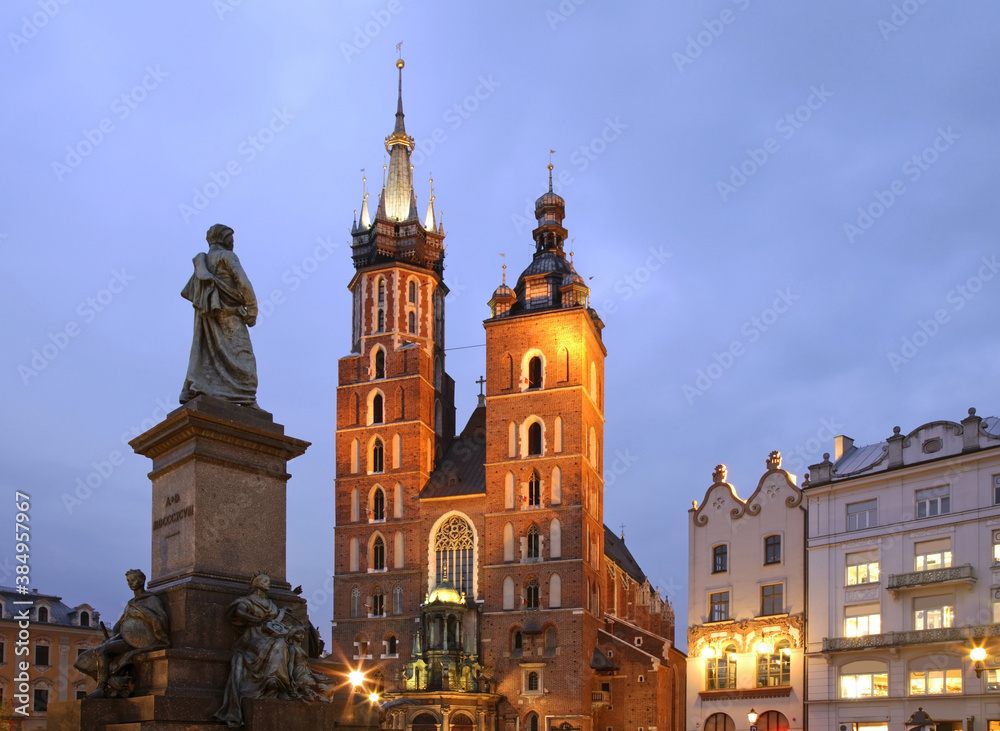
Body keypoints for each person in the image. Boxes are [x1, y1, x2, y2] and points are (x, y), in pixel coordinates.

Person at [215, 574, 329, 727]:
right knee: (278, 644)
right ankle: (273, 682)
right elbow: (240, 612)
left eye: (268, 581)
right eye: (264, 581)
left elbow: (275, 619)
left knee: (283, 645)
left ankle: (275, 682)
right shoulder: (247, 601)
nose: (267, 583)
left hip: (270, 636)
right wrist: (257, 620)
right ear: (256, 584)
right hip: (253, 637)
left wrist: (283, 612)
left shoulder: (270, 604)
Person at [179, 224, 260, 407]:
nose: (233, 242)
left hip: (209, 318)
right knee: (244, 356)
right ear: (224, 239)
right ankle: (247, 397)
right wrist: (252, 310)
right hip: (230, 315)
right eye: (231, 238)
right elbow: (243, 283)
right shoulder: (227, 256)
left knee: (208, 353)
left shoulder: (202, 263)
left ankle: (205, 389)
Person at [75, 569, 170, 698]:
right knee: (96, 652)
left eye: (134, 580)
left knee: (103, 651)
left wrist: (142, 614)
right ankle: (109, 684)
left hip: (143, 641)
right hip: (128, 639)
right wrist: (112, 637)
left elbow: (160, 620)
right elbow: (119, 626)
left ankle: (102, 688)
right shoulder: (130, 603)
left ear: (142, 581)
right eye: (128, 581)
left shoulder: (152, 600)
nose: (131, 583)